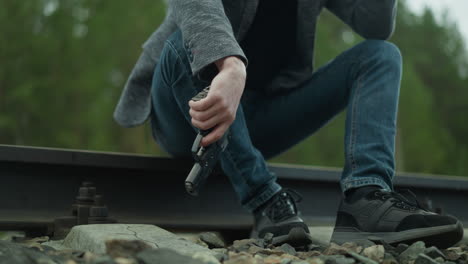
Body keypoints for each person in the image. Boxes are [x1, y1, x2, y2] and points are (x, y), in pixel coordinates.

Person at [114, 0, 463, 248]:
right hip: (186, 111)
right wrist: (230, 65)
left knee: (381, 56)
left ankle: (366, 198)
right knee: (181, 45)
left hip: (260, 117)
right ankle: (267, 201)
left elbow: (375, 25)